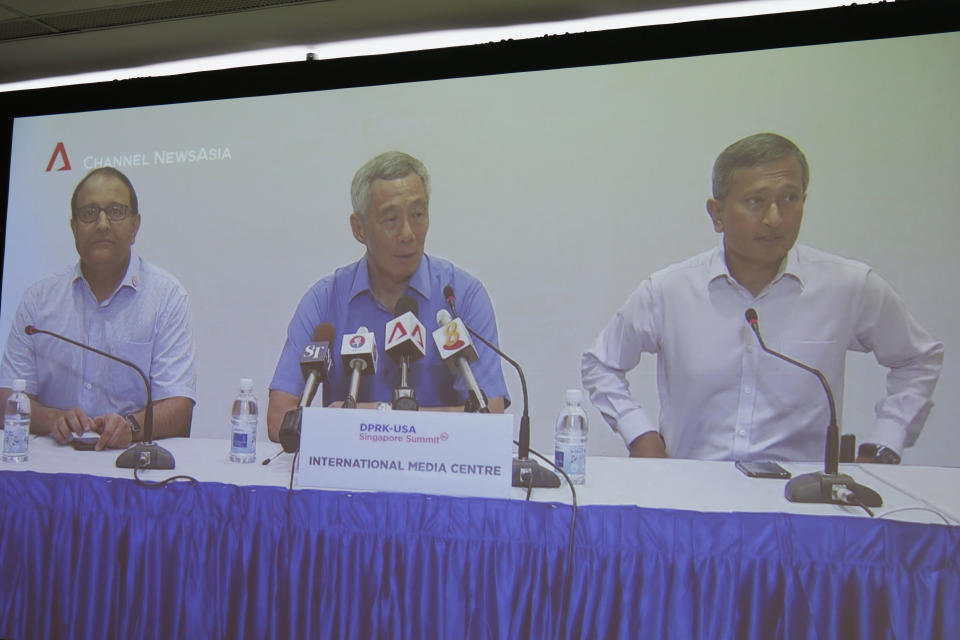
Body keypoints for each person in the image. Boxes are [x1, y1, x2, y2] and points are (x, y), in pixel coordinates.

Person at [581, 133, 943, 464]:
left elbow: (918, 359)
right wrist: (641, 437)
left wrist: (884, 443)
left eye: (789, 199)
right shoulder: (668, 290)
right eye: (755, 201)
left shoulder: (848, 286)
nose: (774, 218)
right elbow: (601, 364)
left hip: (803, 504)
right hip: (691, 496)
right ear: (717, 213)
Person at [267, 151, 509, 441]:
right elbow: (279, 420)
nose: (408, 233)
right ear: (359, 229)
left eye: (418, 215)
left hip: (440, 473)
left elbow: (491, 415)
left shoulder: (461, 297)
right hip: (347, 477)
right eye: (391, 219)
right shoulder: (325, 301)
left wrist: (377, 417)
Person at [0, 167, 197, 450]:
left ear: (135, 225)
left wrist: (130, 426)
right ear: (74, 228)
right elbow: (8, 397)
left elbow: (179, 409)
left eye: (115, 211)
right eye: (89, 213)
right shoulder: (39, 299)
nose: (102, 224)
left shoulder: (167, 297)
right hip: (52, 462)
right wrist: (54, 418)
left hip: (129, 465)